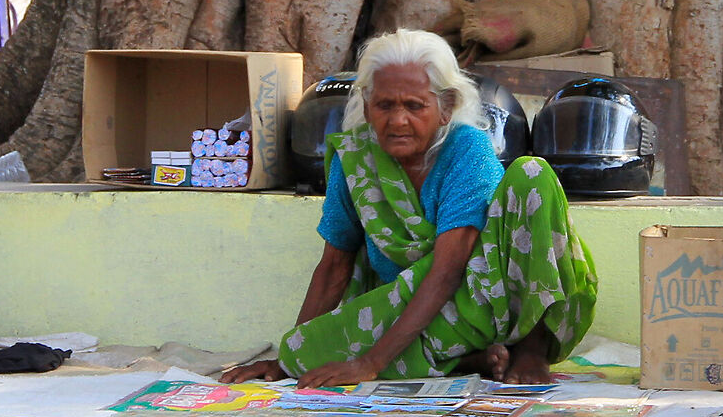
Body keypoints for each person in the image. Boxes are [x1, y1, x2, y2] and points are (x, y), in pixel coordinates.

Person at [223, 28, 597, 387]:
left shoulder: (467, 149)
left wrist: (371, 363)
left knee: (533, 173)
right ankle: (465, 359)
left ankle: (531, 346)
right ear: (367, 106)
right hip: (411, 311)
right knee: (311, 349)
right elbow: (334, 265)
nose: (398, 120)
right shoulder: (356, 157)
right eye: (385, 105)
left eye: (414, 106)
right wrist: (291, 357)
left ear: (446, 107)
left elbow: (447, 271)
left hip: (482, 299)